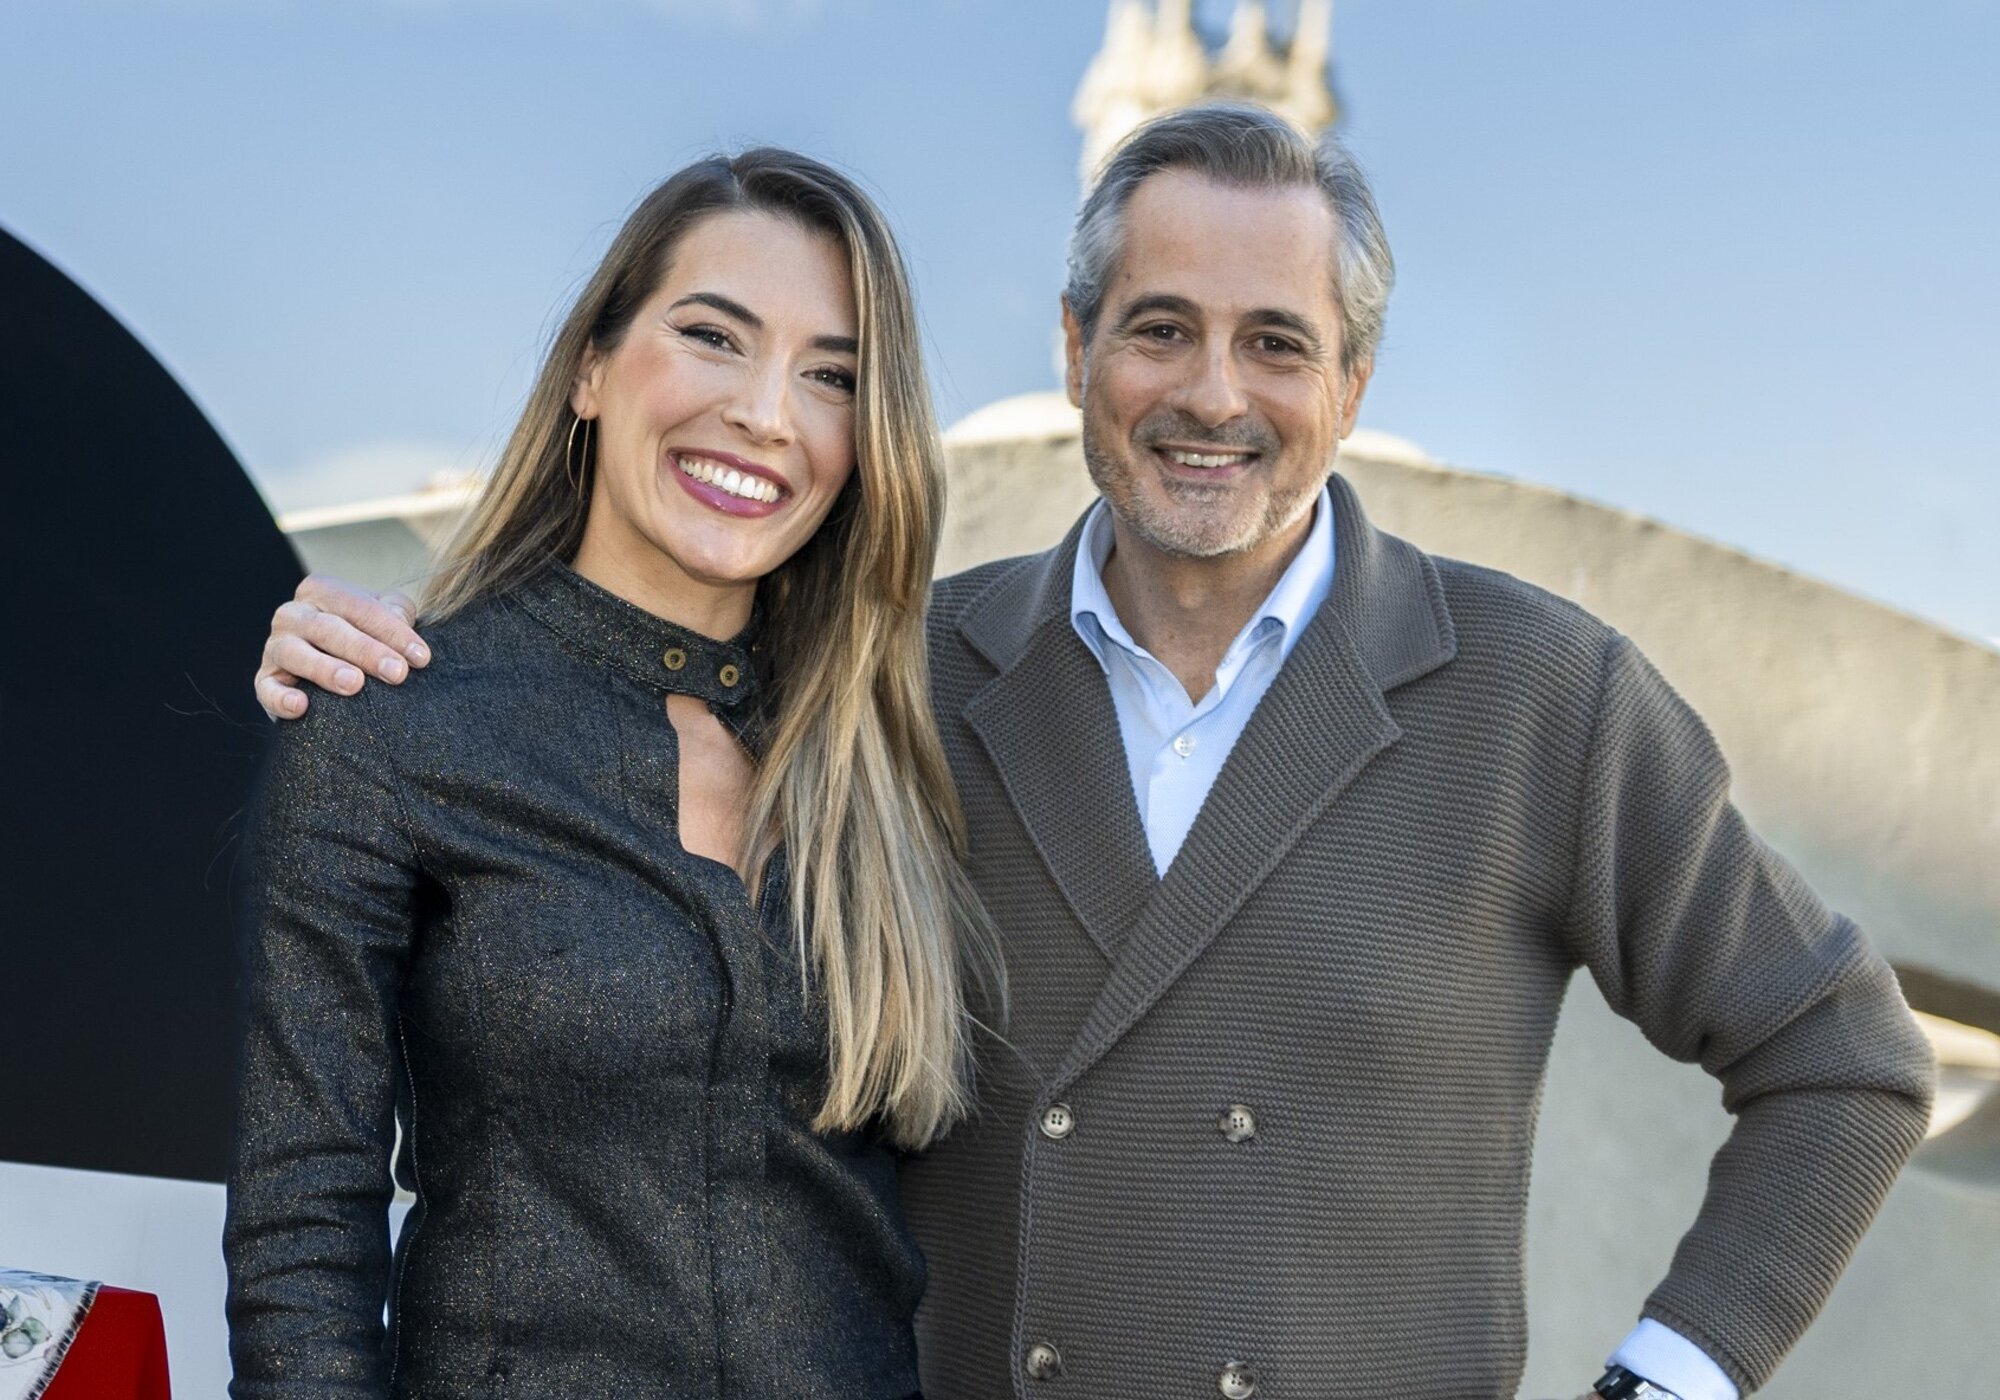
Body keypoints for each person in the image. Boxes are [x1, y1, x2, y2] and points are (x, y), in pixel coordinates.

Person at [251, 107, 1934, 1400]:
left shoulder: (1534, 693)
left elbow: (1843, 1059)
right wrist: (380, 642)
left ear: (1352, 384)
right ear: (1073, 351)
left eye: (1277, 342)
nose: (1213, 394)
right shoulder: (895, 679)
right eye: (1159, 328)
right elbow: (607, 677)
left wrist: (1664, 1381)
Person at [225, 148, 1000, 1400]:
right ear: (591, 365)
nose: (766, 411)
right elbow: (301, 1226)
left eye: (831, 376)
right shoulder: (392, 721)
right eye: (713, 335)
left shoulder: (888, 758)